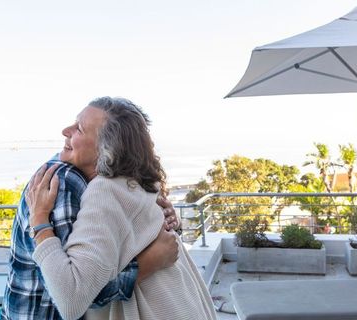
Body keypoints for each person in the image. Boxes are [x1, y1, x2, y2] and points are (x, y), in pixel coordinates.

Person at [27, 97, 217, 320]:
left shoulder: (105, 192)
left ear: (107, 149)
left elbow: (71, 300)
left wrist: (39, 221)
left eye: (79, 128)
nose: (65, 130)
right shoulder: (138, 183)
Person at [1, 148, 180, 317]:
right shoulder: (64, 181)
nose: (66, 131)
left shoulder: (113, 184)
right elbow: (72, 293)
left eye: (80, 128)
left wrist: (166, 220)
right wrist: (148, 263)